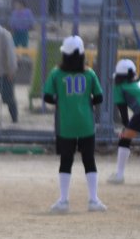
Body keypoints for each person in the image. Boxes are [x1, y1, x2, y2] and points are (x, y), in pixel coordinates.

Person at [42, 35, 106, 213]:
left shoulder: (57, 73)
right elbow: (99, 97)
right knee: (89, 160)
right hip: (86, 124)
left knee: (66, 161)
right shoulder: (89, 73)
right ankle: (93, 200)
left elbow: (47, 96)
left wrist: (62, 101)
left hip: (66, 124)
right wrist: (85, 102)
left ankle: (63, 201)